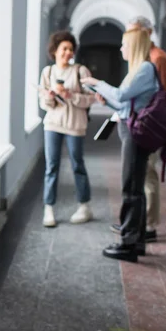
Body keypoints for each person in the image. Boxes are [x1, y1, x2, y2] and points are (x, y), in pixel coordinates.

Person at [82, 27, 160, 262]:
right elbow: (126, 106)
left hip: (136, 134)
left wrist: (98, 82)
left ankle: (127, 243)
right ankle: (135, 242)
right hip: (131, 128)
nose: (121, 48)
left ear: (134, 46)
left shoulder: (145, 68)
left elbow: (123, 94)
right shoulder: (137, 69)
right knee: (135, 187)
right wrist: (107, 101)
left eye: (125, 44)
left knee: (131, 188)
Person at [109, 16, 166, 243]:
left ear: (145, 33)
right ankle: (136, 224)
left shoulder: (155, 60)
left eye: (133, 33)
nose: (128, 39)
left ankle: (147, 227)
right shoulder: (143, 61)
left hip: (147, 125)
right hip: (136, 122)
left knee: (145, 178)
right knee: (139, 179)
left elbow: (161, 95)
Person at [38, 30, 98, 227]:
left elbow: (92, 99)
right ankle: (49, 208)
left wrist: (71, 96)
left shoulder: (81, 71)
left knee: (77, 164)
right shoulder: (47, 73)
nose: (68, 53)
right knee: (51, 166)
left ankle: (84, 206)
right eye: (64, 48)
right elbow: (44, 105)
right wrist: (51, 96)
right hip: (52, 125)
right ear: (55, 50)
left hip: (75, 125)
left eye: (71, 49)